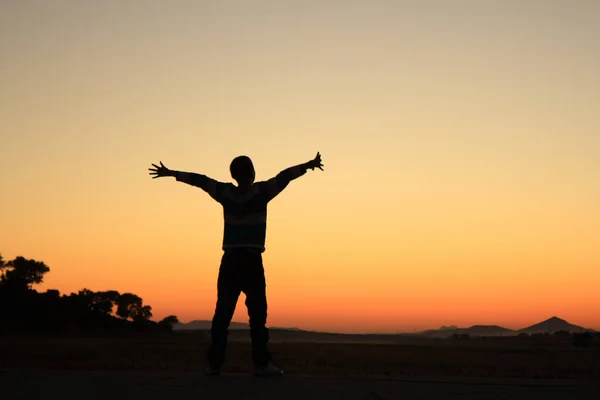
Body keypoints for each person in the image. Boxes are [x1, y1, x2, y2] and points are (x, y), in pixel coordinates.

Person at [148, 152, 324, 376]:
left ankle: (214, 365)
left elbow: (200, 180)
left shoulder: (225, 193)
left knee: (223, 316)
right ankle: (261, 365)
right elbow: (285, 176)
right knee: (257, 317)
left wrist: (172, 173)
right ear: (252, 173)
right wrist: (308, 165)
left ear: (233, 175)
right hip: (251, 262)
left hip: (230, 263)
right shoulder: (261, 192)